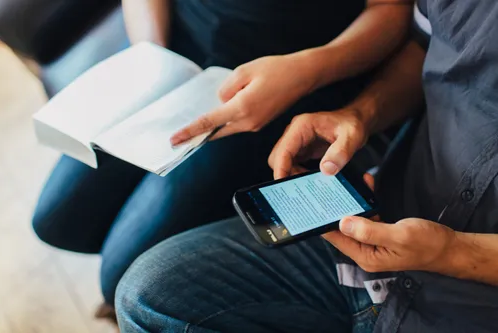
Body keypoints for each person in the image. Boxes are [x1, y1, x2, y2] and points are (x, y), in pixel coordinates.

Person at [115, 0, 498, 332]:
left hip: (470, 303)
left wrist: (456, 253)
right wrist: (360, 115)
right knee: (147, 294)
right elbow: (427, 44)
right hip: (390, 206)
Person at [31, 0, 413, 316]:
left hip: (278, 81)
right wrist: (152, 59)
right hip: (175, 49)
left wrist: (305, 72)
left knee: (116, 277)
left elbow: (393, 11)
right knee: (56, 223)